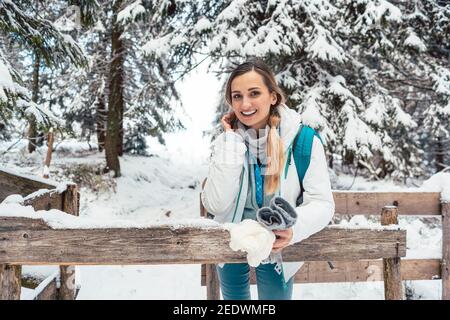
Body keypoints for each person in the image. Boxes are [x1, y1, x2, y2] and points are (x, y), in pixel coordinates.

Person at [201, 59, 335, 300]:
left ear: (273, 97)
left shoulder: (302, 141)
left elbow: (323, 203)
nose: (245, 104)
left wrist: (294, 228)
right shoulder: (226, 143)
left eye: (254, 93)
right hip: (232, 239)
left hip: (278, 244)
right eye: (237, 96)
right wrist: (231, 143)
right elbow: (216, 205)